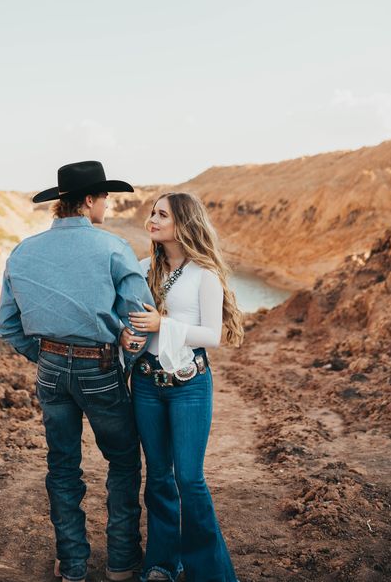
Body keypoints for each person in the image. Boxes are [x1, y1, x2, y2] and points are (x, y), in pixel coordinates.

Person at [0, 160, 154, 582]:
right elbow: (139, 323)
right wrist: (125, 362)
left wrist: (47, 355)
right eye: (104, 196)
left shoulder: (23, 250)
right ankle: (121, 563)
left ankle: (73, 565)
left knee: (62, 465)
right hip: (99, 367)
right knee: (122, 462)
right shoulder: (114, 248)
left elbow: (6, 326)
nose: (107, 204)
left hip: (49, 369)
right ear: (88, 201)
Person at [120, 192, 244, 582]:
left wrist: (164, 326)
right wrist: (128, 337)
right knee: (157, 476)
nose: (151, 220)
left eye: (161, 215)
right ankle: (161, 562)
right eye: (152, 213)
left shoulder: (204, 274)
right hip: (145, 385)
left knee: (189, 479)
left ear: (183, 223)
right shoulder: (141, 269)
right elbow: (133, 326)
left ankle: (209, 572)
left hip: (189, 386)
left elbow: (213, 335)